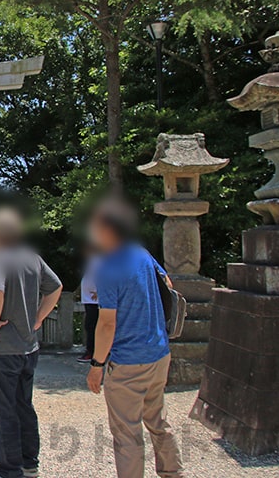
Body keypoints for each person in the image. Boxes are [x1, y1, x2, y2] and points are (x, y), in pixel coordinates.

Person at [85, 198, 184, 478]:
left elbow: (107, 323)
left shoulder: (107, 267)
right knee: (158, 420)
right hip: (159, 352)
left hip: (128, 361)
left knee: (127, 432)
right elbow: (167, 285)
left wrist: (97, 365)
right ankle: (173, 473)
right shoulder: (141, 253)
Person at [0, 207, 62, 478]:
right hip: (28, 346)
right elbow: (55, 287)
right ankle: (29, 463)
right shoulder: (33, 259)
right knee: (23, 406)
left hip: (2, 348)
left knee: (0, 410)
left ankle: (8, 469)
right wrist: (37, 319)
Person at [77, 248, 100, 363]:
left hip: (95, 299)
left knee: (92, 326)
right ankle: (91, 350)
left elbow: (103, 277)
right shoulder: (92, 261)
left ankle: (92, 351)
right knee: (89, 326)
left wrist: (99, 291)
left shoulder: (98, 260)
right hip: (89, 298)